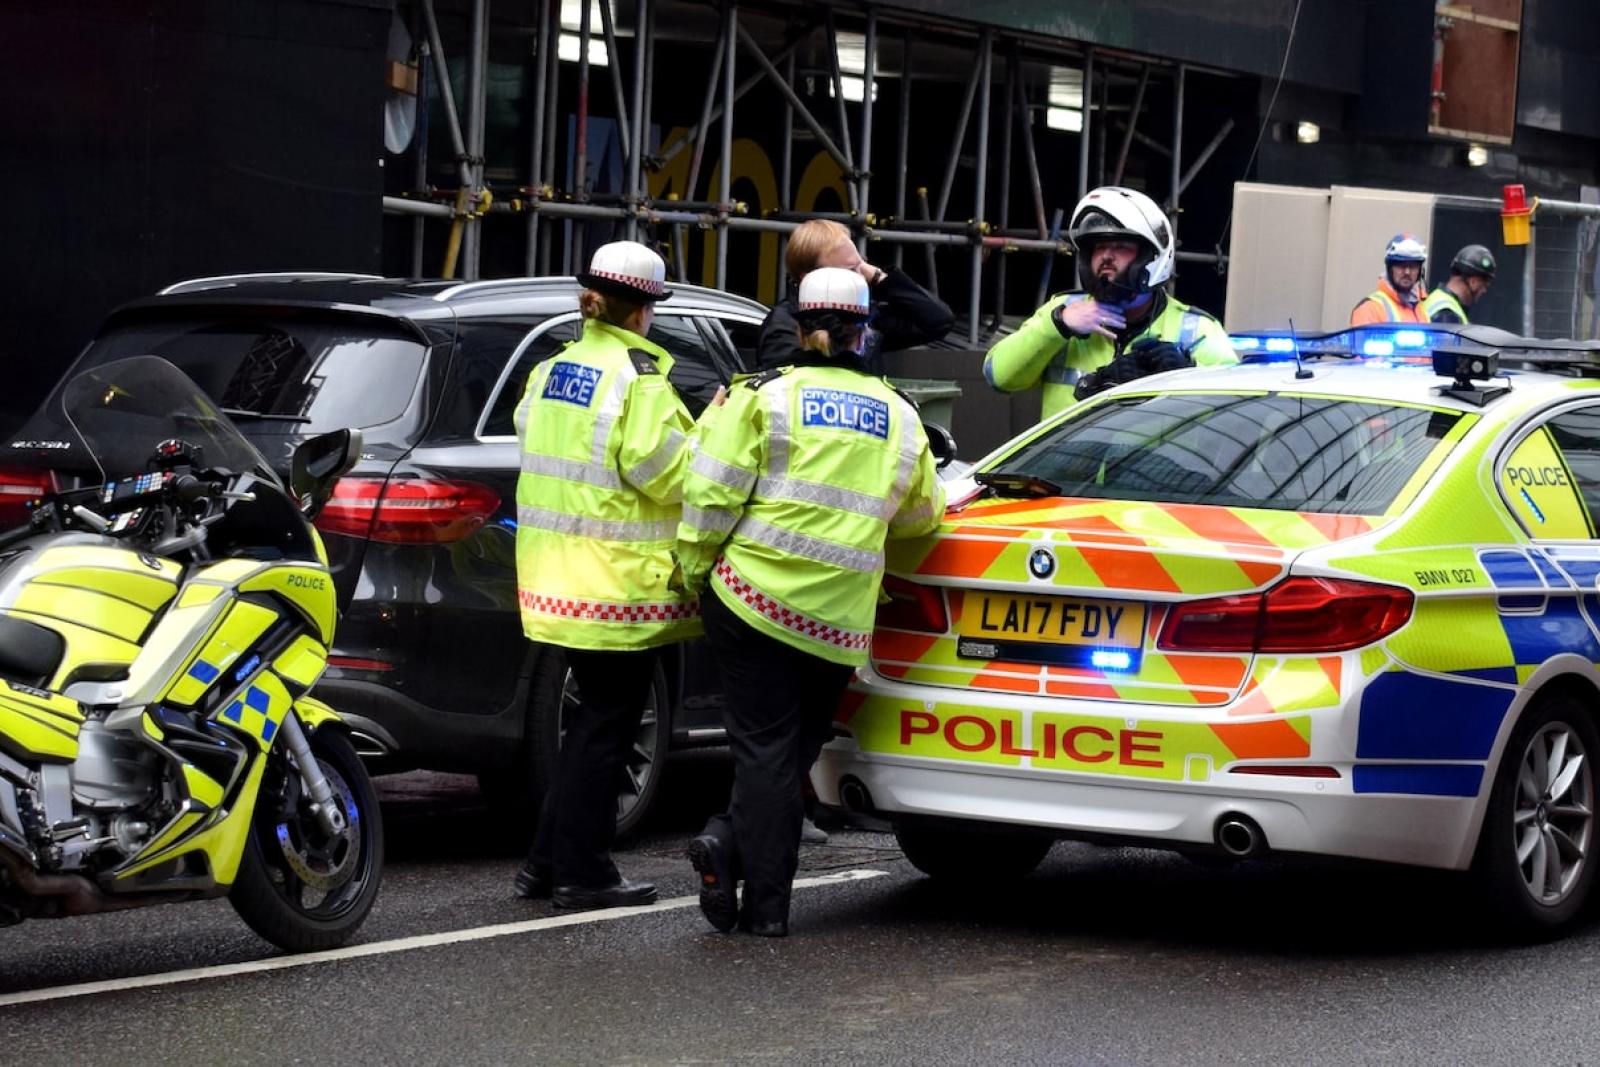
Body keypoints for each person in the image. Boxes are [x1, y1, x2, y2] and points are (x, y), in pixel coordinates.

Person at [675, 267, 945, 937]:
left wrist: (692, 572)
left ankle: (760, 899)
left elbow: (709, 495)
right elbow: (922, 518)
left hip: (751, 601)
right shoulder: (901, 414)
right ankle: (738, 861)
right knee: (789, 755)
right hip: (836, 623)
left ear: (797, 326)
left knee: (765, 753)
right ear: (865, 333)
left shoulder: (759, 397)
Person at [511, 240, 700, 910]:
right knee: (606, 729)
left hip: (556, 578)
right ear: (643, 309)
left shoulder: (554, 369)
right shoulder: (639, 377)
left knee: (594, 721)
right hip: (615, 583)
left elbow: (533, 436)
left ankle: (545, 864)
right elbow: (666, 470)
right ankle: (583, 870)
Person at [983, 185, 1235, 419]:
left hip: (1154, 468)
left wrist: (1190, 375)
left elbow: (1237, 413)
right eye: (1099, 247)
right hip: (1066, 468)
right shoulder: (1061, 311)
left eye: (1120, 246)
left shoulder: (1195, 330)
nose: (1105, 256)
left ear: (1151, 257)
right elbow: (998, 376)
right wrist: (1057, 325)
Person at [757, 218, 954, 374]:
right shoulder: (783, 325)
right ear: (810, 277)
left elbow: (938, 321)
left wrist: (878, 277)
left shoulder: (859, 314)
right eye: (850, 270)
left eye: (863, 266)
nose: (861, 278)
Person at [1350, 234, 1430, 325]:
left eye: (1412, 266)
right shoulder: (1370, 309)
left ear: (1420, 271)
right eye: (1401, 266)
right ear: (1389, 268)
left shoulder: (1421, 308)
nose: (1407, 272)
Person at [1421, 244, 1497, 324]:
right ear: (1473, 282)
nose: (1484, 291)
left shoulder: (1437, 298)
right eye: (1484, 285)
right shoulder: (1447, 314)